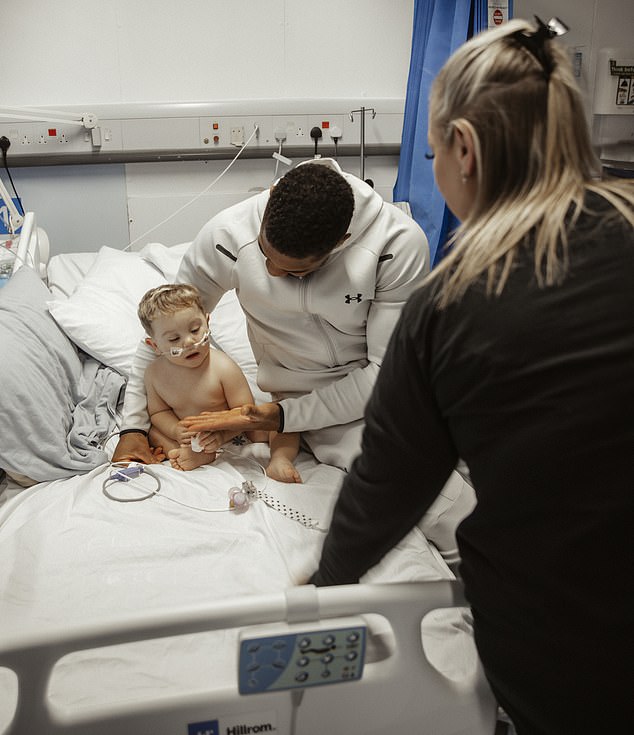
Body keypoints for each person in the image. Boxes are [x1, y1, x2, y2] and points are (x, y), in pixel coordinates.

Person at [308, 18, 634, 735]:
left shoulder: (451, 303)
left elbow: (384, 490)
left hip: (577, 666)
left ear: (464, 148)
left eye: (431, 154)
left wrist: (318, 596)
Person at [113, 158, 432, 475]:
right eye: (264, 253)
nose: (270, 271)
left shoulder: (398, 245)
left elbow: (385, 373)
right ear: (270, 194)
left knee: (426, 483)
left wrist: (279, 417)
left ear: (340, 243)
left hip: (359, 394)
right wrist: (132, 429)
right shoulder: (226, 235)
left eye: (294, 271)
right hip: (280, 396)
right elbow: (162, 327)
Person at [138, 283, 301, 482]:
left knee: (281, 417)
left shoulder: (222, 367)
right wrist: (175, 429)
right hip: (191, 435)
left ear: (207, 322)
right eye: (174, 339)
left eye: (195, 330)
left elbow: (243, 412)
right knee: (152, 431)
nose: (189, 342)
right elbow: (158, 412)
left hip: (233, 427)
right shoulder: (154, 374)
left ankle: (280, 459)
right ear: (154, 345)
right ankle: (188, 453)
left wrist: (221, 436)